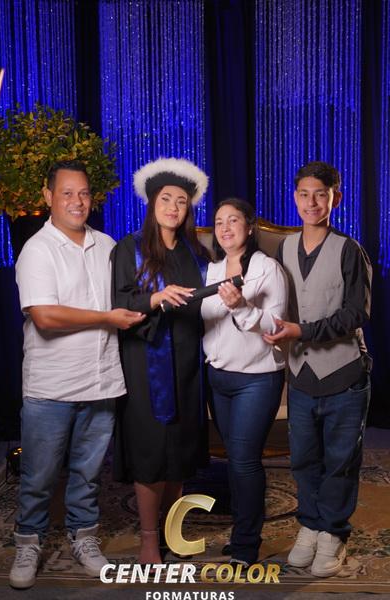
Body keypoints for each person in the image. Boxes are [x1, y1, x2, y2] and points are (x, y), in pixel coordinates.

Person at [10, 160, 145, 589]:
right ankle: (28, 543)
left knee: (88, 475)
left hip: (102, 380)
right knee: (39, 477)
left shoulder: (107, 245)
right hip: (50, 387)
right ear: (48, 196)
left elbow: (132, 295)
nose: (77, 201)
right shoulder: (38, 250)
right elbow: (45, 317)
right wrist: (107, 317)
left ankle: (84, 538)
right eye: (67, 193)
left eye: (84, 193)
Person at [264, 161, 372, 578]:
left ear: (335, 199)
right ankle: (309, 526)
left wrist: (303, 331)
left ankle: (333, 533)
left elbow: (355, 314)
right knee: (304, 460)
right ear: (295, 198)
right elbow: (275, 303)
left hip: (344, 374)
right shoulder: (283, 249)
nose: (312, 202)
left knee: (340, 460)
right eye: (305, 194)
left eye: (321, 195)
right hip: (301, 375)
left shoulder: (349, 250)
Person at [112, 157, 210, 565]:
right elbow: (119, 303)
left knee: (180, 452)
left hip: (187, 362)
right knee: (151, 451)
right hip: (145, 362)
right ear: (152, 202)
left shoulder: (196, 253)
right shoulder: (129, 248)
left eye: (182, 201)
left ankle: (172, 531)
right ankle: (150, 540)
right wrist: (154, 298)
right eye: (166, 199)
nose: (173, 207)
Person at [201, 198, 287, 567]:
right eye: (219, 221)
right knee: (233, 461)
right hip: (218, 378)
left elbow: (276, 327)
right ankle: (241, 534)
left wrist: (241, 307)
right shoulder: (210, 269)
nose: (225, 228)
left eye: (233, 220)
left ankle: (247, 546)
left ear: (249, 227)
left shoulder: (268, 269)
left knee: (244, 461)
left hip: (257, 378)